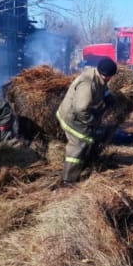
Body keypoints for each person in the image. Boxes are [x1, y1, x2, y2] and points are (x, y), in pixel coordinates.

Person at [56, 57, 117, 185]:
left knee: (88, 139)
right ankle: (68, 180)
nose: (108, 79)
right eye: (107, 76)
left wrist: (107, 96)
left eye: (110, 77)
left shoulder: (97, 75)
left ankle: (82, 164)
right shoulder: (88, 83)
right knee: (79, 143)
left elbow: (102, 86)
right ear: (102, 73)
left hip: (77, 114)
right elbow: (80, 109)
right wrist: (91, 121)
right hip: (72, 117)